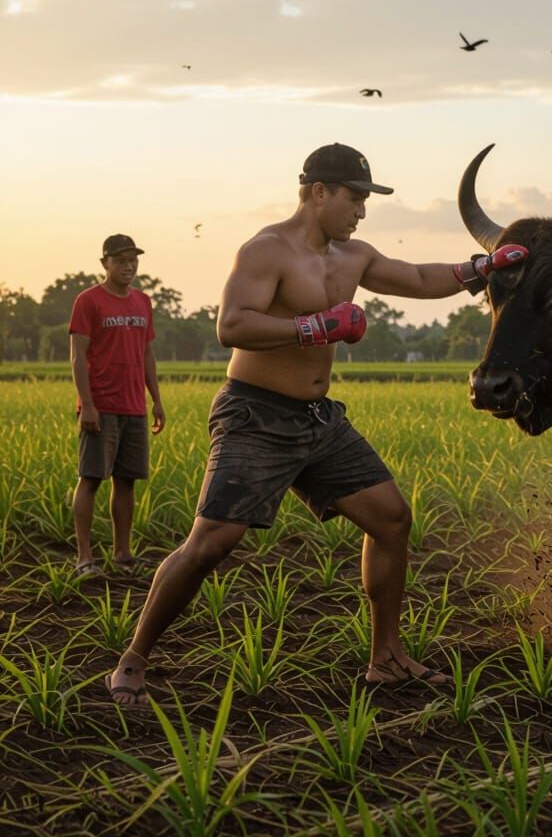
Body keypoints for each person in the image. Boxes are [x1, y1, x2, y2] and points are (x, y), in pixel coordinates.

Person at [105, 143, 527, 705]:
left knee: (392, 520)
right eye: (355, 198)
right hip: (255, 415)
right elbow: (231, 326)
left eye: (365, 200)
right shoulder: (266, 250)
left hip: (318, 420)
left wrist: (481, 268)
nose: (361, 210)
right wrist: (315, 327)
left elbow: (421, 277)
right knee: (210, 544)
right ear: (318, 192)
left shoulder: (353, 255)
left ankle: (386, 659)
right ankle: (134, 657)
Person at [69, 234, 166, 577]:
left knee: (126, 481)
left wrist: (156, 399)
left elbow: (146, 354)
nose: (129, 266)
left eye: (133, 260)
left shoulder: (142, 302)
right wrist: (89, 405)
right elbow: (78, 356)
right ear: (105, 264)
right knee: (91, 478)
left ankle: (123, 555)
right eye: (121, 260)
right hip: (102, 406)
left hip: (134, 406)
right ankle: (84, 558)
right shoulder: (89, 301)